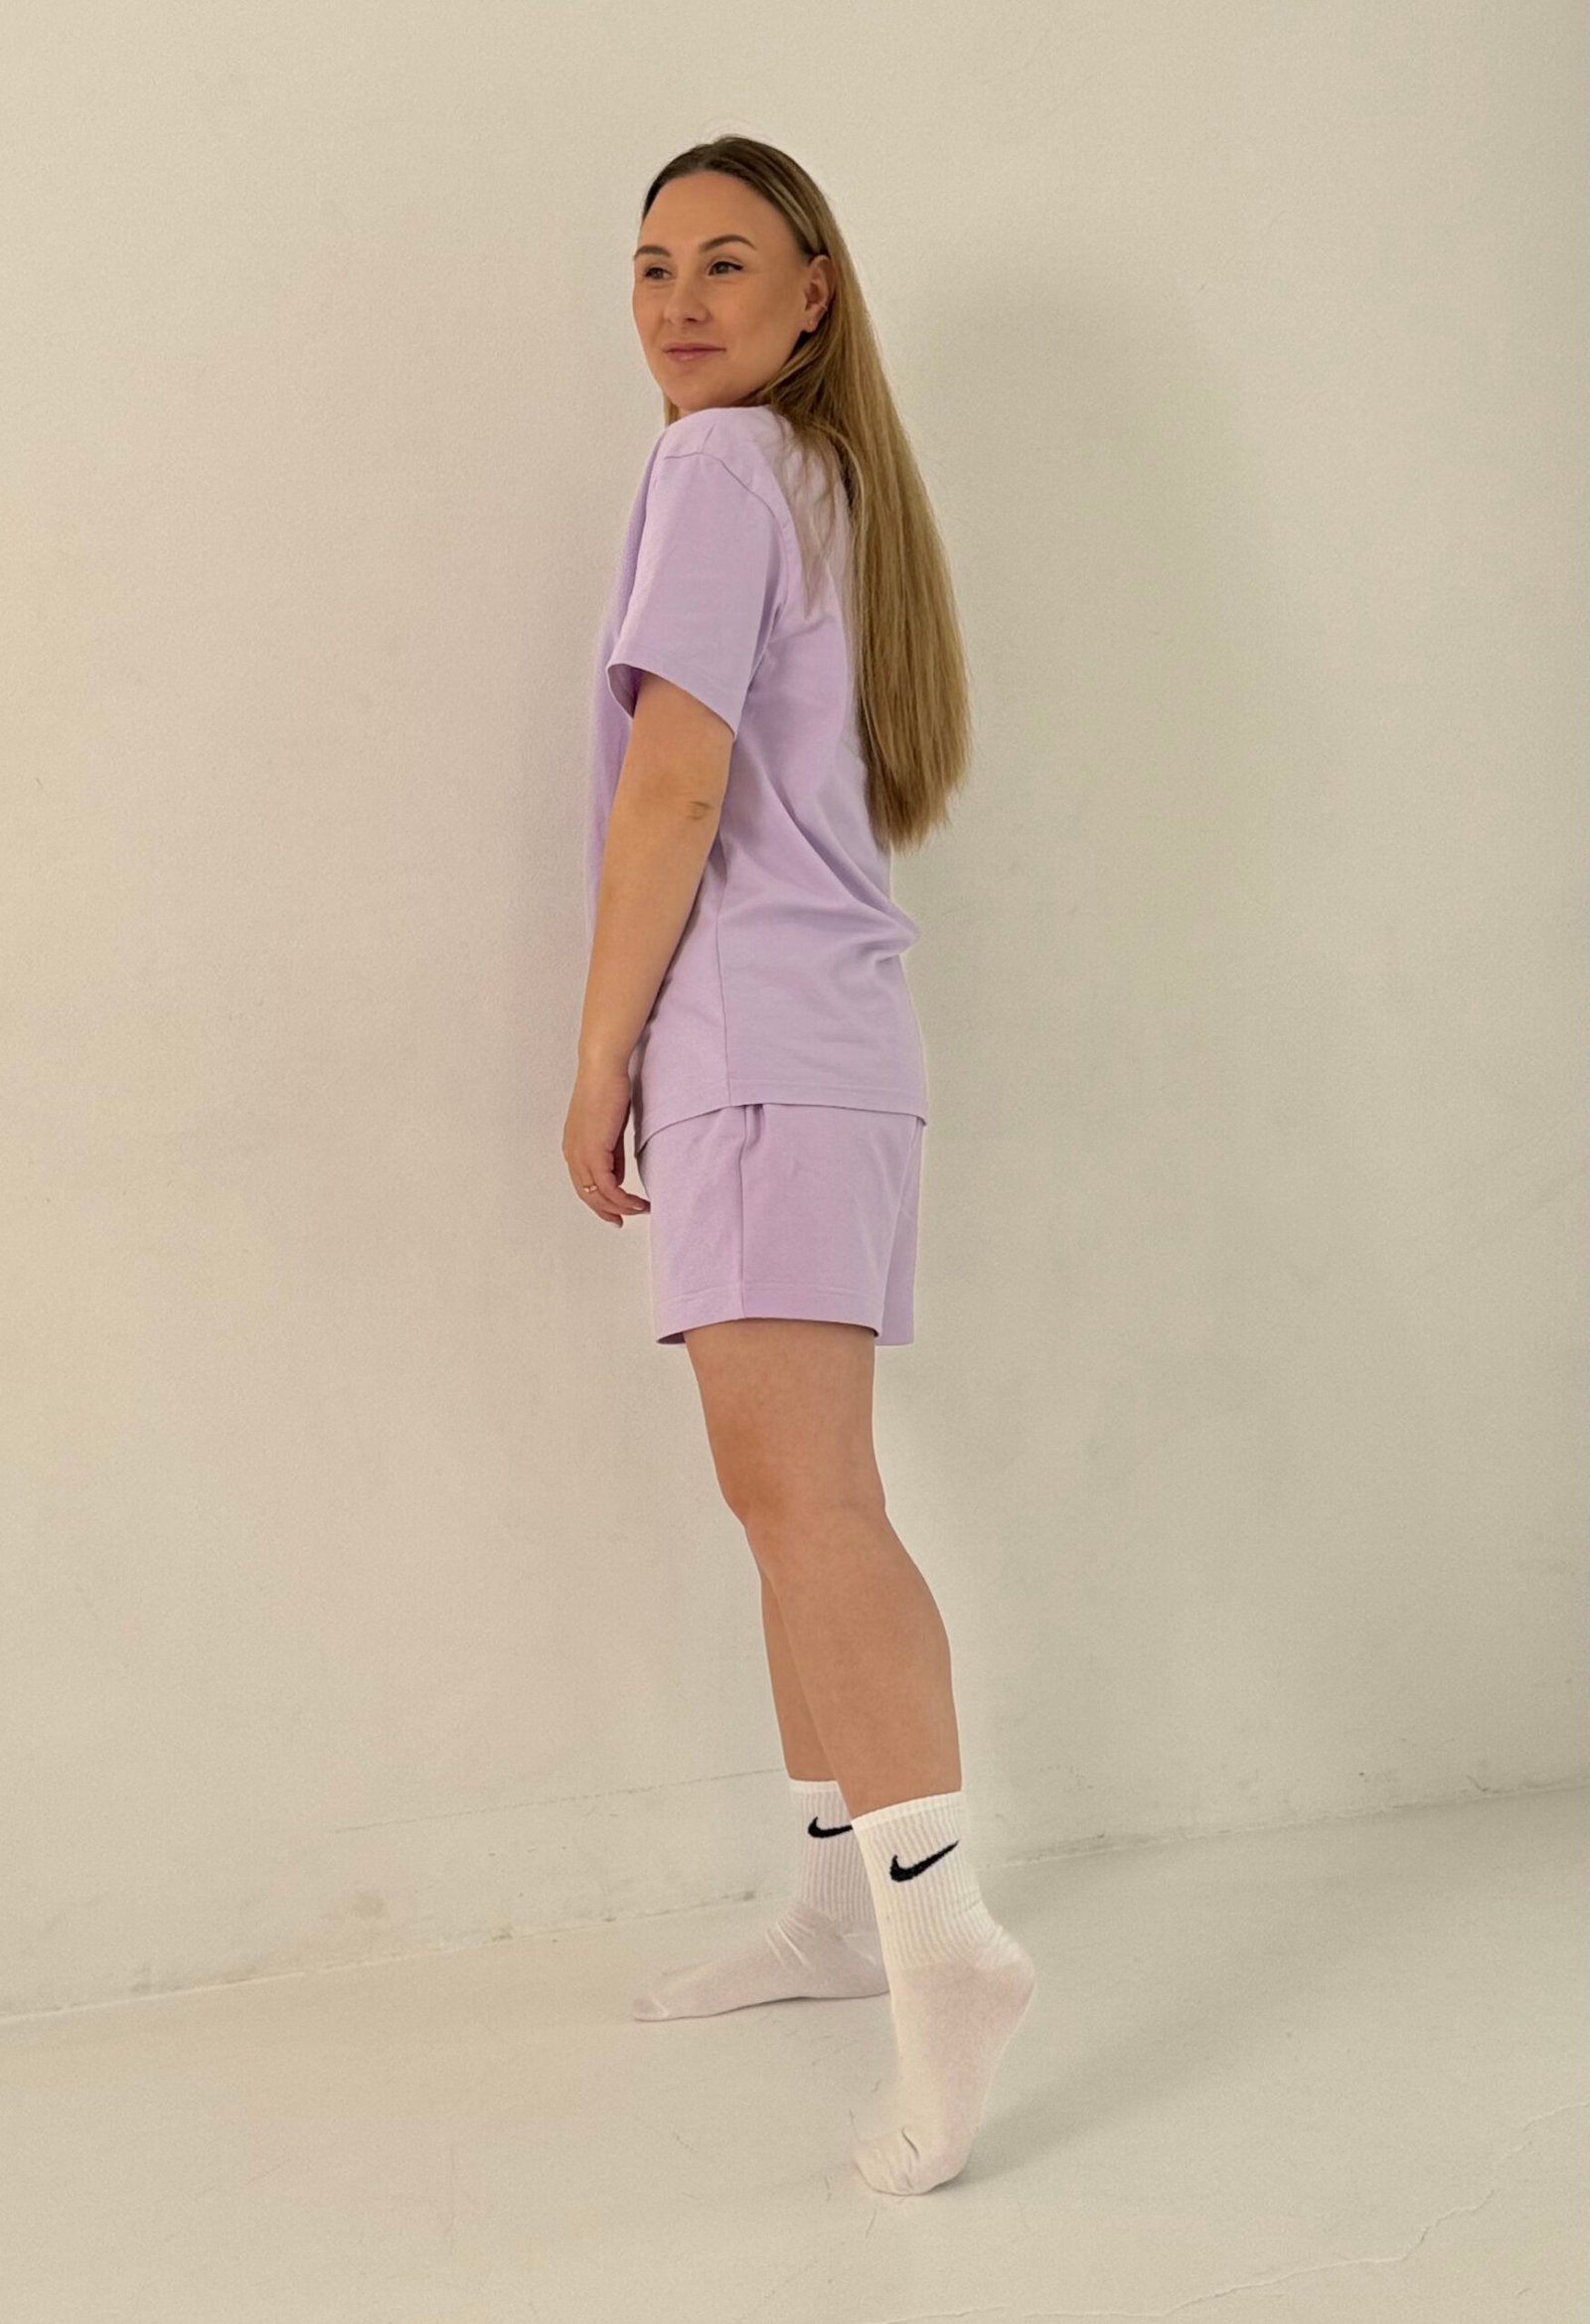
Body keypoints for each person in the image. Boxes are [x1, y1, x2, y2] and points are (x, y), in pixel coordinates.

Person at [563, 135, 1035, 2198]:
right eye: (651, 266)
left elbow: (672, 785)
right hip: (820, 1050)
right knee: (787, 1504)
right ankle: (842, 1907)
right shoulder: (822, 480)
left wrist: (597, 1060)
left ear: (812, 290)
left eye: (726, 264)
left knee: (810, 1505)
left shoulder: (718, 467)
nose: (679, 302)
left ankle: (943, 1947)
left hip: (754, 1049)